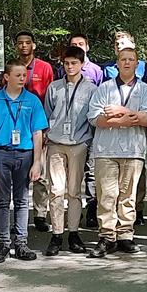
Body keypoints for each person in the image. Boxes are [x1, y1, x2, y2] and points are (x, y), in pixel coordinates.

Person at [86, 48, 147, 257]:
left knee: (128, 196)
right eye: (123, 59)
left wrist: (121, 112)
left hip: (133, 151)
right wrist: (127, 120)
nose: (127, 63)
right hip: (106, 150)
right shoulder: (104, 88)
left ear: (137, 64)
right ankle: (107, 237)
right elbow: (95, 118)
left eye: (131, 59)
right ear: (116, 63)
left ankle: (125, 235)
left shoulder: (145, 90)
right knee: (106, 195)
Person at [0, 61, 47, 263]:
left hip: (24, 154)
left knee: (22, 199)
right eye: (18, 75)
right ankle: (3, 244)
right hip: (1, 153)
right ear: (6, 77)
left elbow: (38, 133)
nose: (22, 78)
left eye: (24, 75)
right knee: (2, 200)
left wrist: (37, 162)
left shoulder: (32, 101)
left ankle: (21, 243)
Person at [43, 45, 98, 256]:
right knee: (56, 190)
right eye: (66, 63)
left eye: (74, 63)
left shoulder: (91, 89)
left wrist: (89, 144)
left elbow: (93, 119)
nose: (70, 67)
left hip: (79, 143)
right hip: (56, 143)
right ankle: (57, 234)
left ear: (82, 64)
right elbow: (48, 114)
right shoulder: (54, 87)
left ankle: (74, 233)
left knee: (74, 191)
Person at [15, 30, 55, 233]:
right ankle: (18, 215)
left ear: (34, 45)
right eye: (20, 43)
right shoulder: (12, 68)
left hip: (39, 125)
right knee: (18, 173)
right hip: (17, 127)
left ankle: (40, 214)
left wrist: (48, 127)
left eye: (27, 42)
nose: (24, 46)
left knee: (41, 174)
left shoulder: (44, 67)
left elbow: (51, 97)